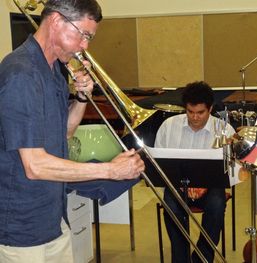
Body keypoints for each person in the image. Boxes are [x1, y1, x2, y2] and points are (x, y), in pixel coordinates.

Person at [0, 1, 144, 262]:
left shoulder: (54, 68)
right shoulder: (21, 73)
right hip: (21, 228)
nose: (85, 46)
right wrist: (110, 170)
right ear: (56, 21)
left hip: (53, 218)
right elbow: (35, 166)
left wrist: (80, 98)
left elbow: (63, 133)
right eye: (84, 34)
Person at [154, 81, 235, 263]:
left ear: (210, 109)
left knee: (216, 205)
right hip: (177, 186)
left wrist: (204, 186)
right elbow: (158, 164)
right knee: (171, 206)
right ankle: (180, 260)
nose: (195, 117)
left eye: (200, 112)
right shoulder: (168, 126)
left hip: (211, 187)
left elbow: (231, 171)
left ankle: (201, 258)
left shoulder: (225, 130)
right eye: (190, 112)